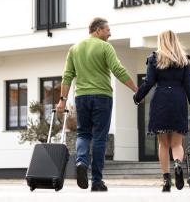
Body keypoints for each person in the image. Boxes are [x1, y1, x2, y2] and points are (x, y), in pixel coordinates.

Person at [57, 17, 138, 192]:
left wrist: (62, 100)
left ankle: (81, 162)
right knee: (100, 137)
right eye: (107, 30)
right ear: (98, 30)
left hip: (82, 98)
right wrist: (135, 89)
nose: (110, 33)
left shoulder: (74, 49)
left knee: (83, 134)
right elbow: (118, 70)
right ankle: (97, 181)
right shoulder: (105, 47)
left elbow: (67, 76)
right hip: (102, 97)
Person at [133, 30, 190, 192]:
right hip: (178, 99)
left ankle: (166, 180)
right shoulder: (184, 60)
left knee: (163, 144)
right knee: (177, 143)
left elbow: (149, 82)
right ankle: (177, 164)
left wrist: (138, 96)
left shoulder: (154, 59)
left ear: (161, 41)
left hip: (161, 99)